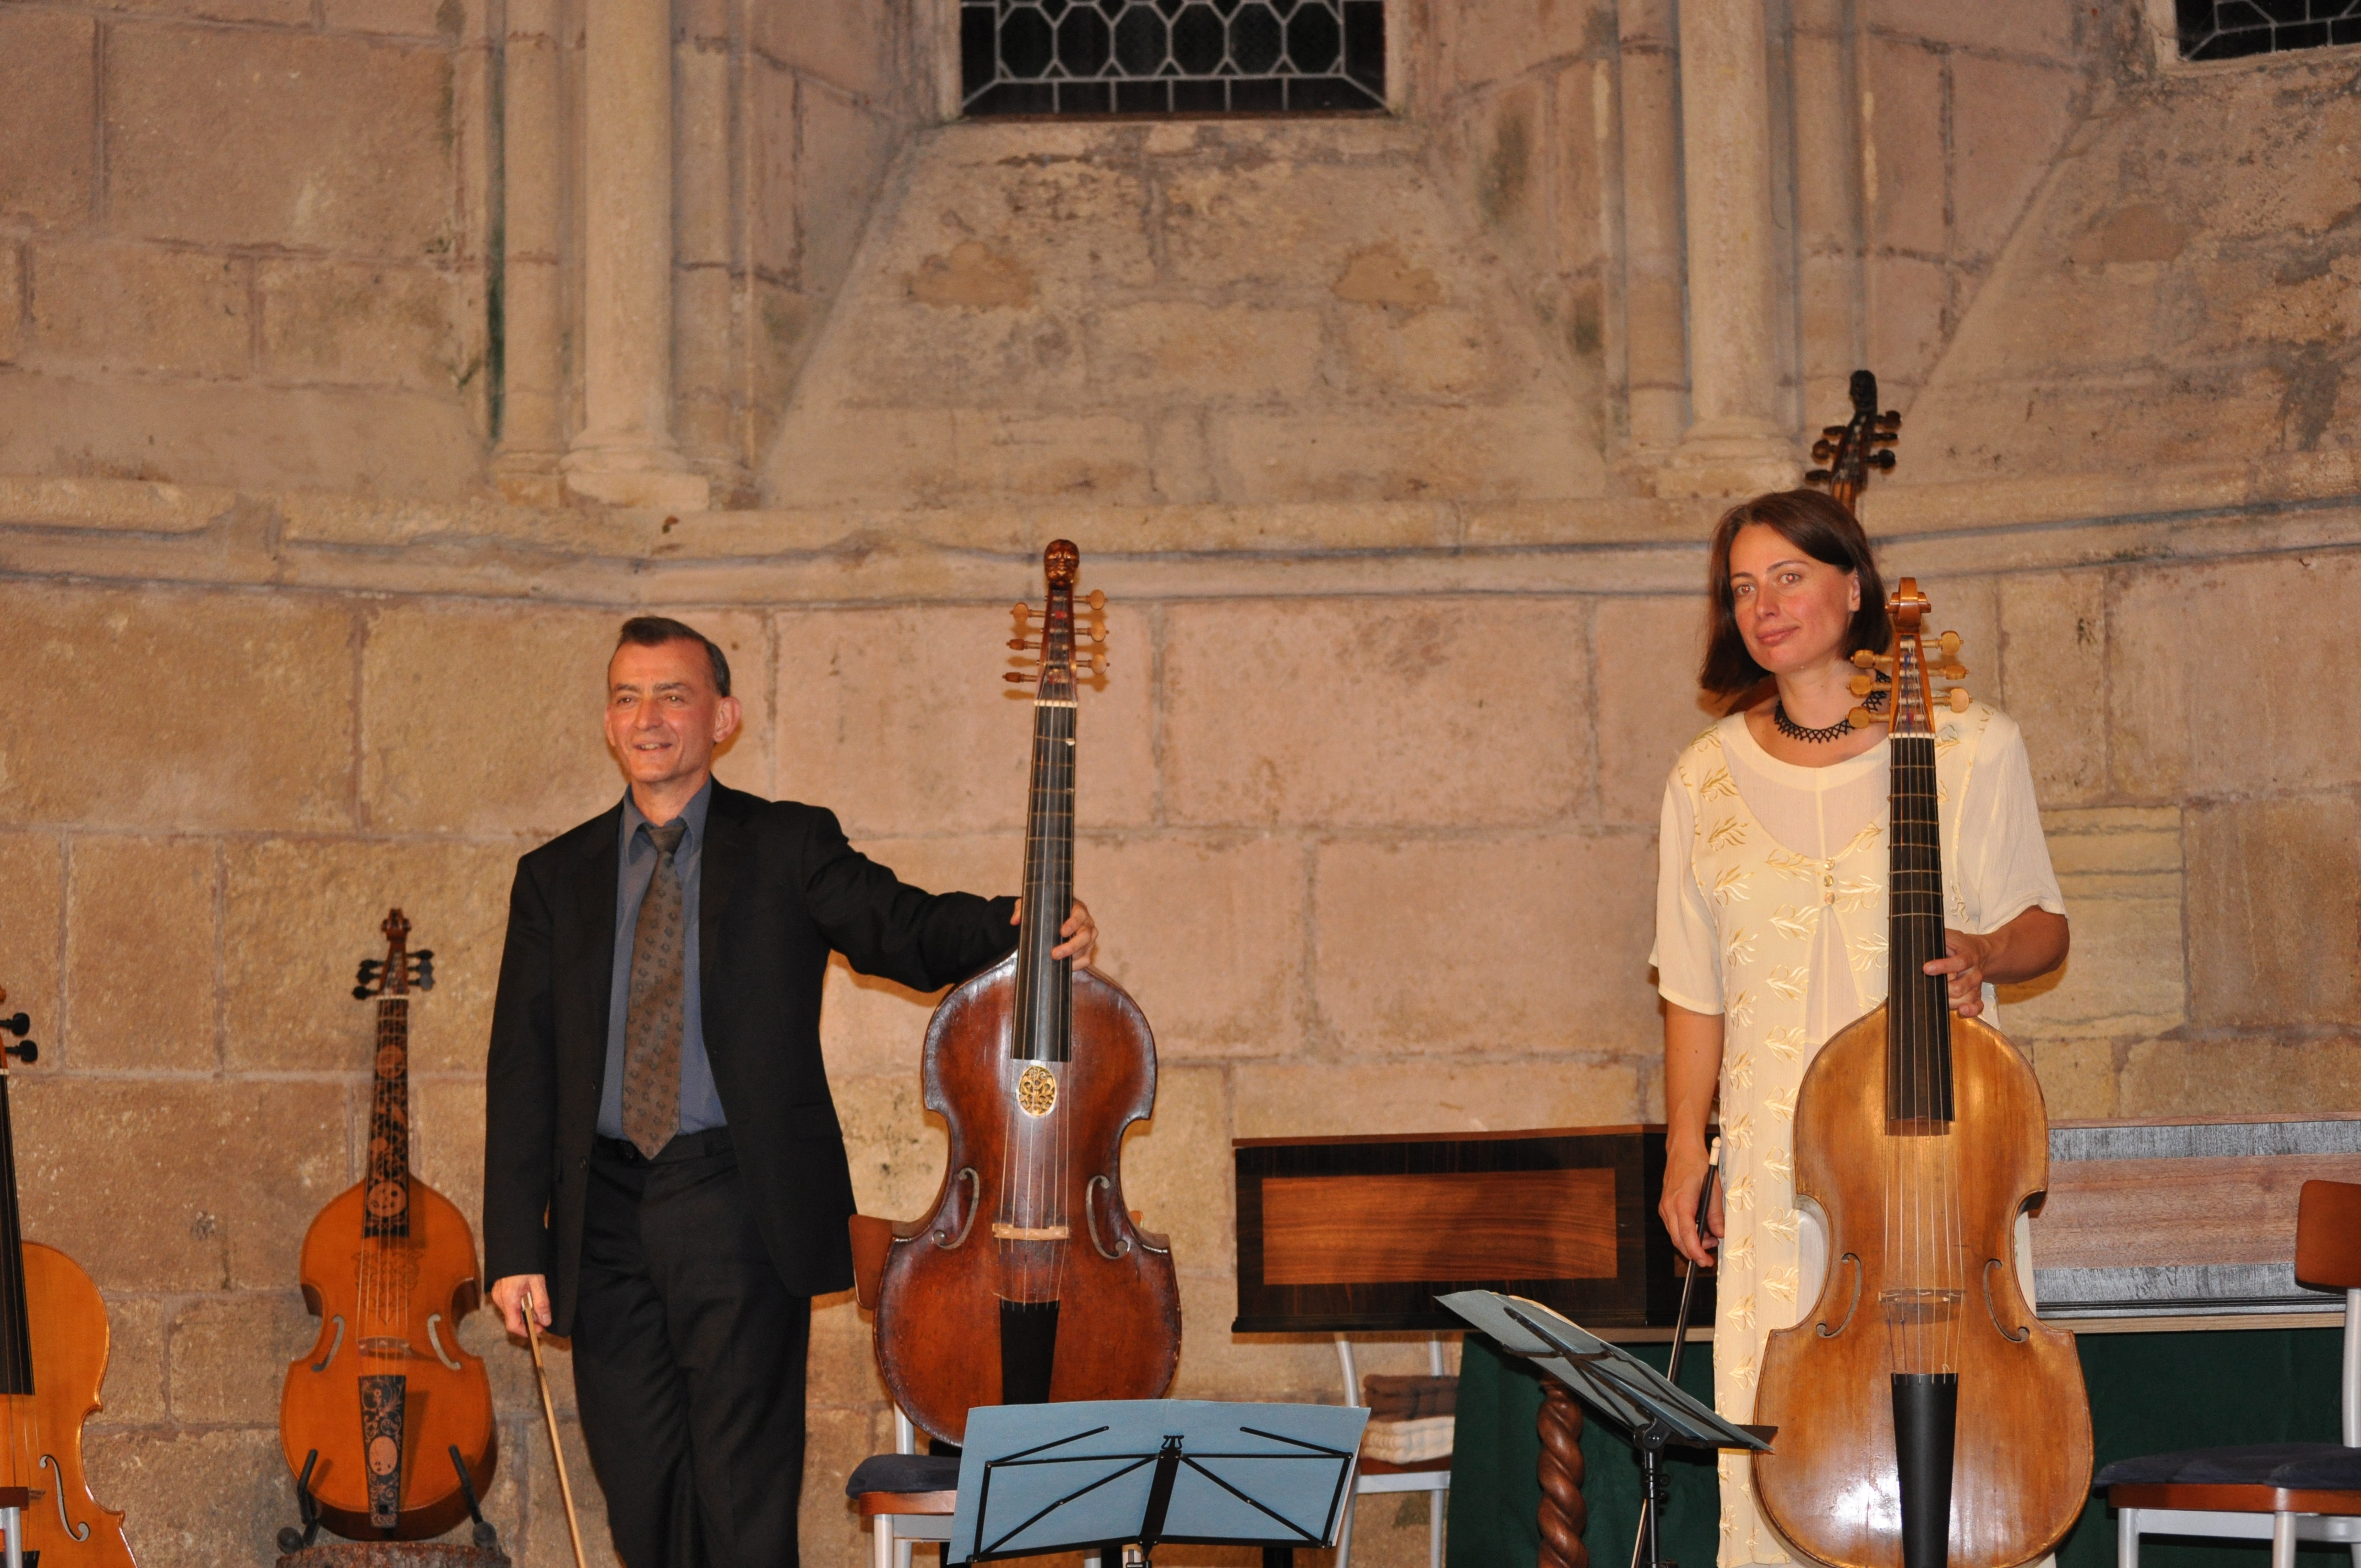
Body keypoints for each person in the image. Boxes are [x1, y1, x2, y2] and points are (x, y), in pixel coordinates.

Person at [481, 615, 1096, 1568]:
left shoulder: (787, 843)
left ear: (722, 718)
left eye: (673, 695)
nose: (648, 718)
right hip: (601, 1223)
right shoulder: (553, 877)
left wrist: (1023, 922)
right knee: (641, 1497)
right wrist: (518, 1246)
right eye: (627, 697)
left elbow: (903, 930)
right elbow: (521, 1068)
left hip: (735, 1203)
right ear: (608, 722)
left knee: (742, 1495)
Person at [1651, 491, 2069, 1567]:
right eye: (1742, 587)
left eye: (1789, 576)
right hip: (1775, 1168)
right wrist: (1684, 1148)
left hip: (1939, 1159)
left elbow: (2042, 924)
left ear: (1852, 586)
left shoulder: (1970, 743)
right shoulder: (1702, 777)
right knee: (1785, 1439)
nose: (1763, 605)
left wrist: (1985, 951)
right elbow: (1692, 987)